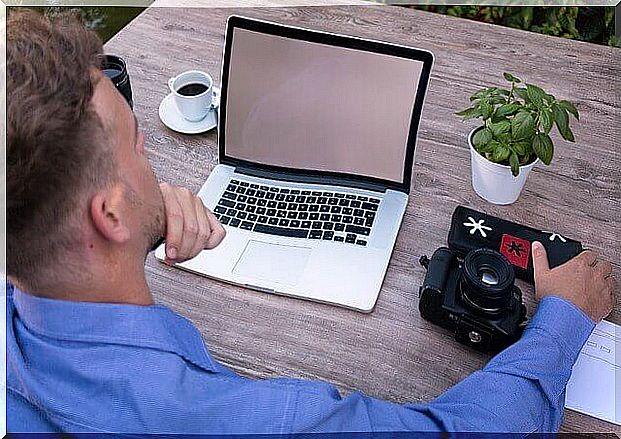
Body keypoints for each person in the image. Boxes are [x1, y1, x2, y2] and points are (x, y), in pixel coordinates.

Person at [6, 9, 615, 434]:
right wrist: (566, 320)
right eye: (140, 148)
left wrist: (145, 216)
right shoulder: (263, 421)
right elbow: (467, 431)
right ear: (108, 214)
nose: (153, 165)